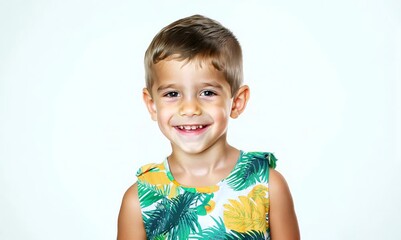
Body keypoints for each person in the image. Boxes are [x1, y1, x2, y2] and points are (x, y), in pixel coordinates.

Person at [117, 14, 300, 240]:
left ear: (237, 101)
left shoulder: (268, 186)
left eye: (208, 93)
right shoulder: (139, 200)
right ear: (152, 105)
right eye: (172, 94)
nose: (190, 108)